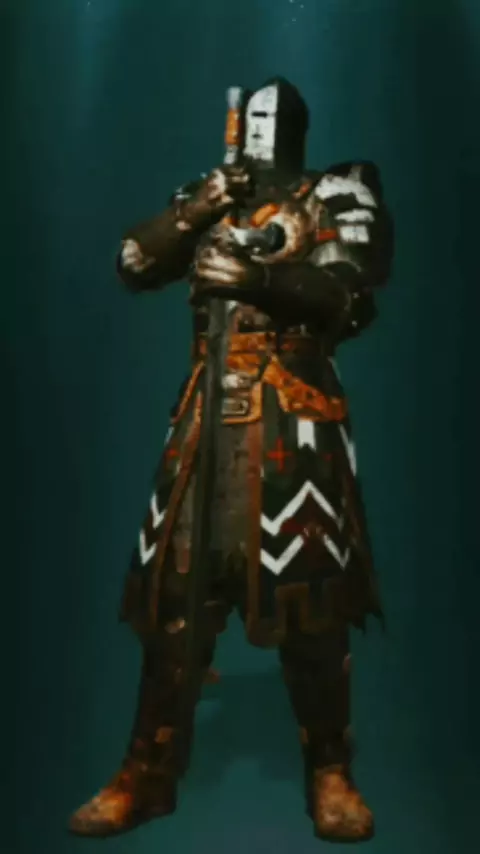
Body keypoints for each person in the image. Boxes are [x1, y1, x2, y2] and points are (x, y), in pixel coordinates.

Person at [69, 77, 393, 842]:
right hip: (204, 417)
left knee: (311, 601)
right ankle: (146, 772)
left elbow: (352, 295)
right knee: (174, 603)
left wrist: (263, 281)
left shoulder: (335, 191)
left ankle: (330, 769)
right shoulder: (213, 194)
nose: (257, 129)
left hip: (294, 413)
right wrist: (200, 206)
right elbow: (134, 262)